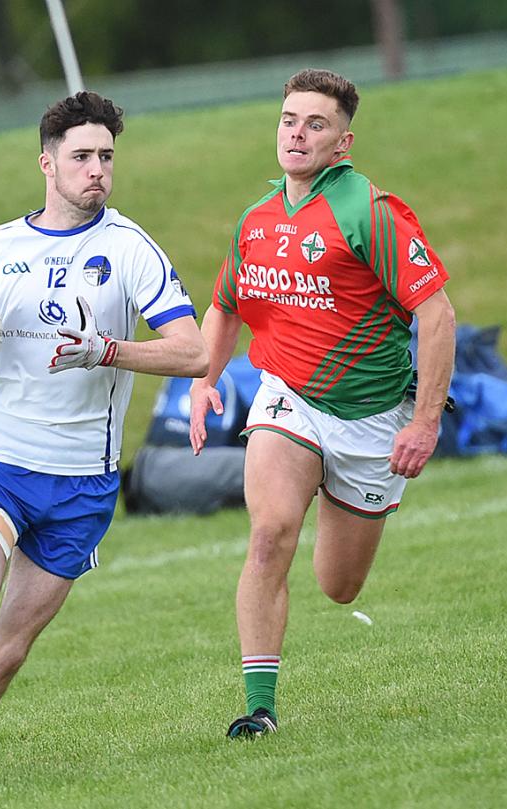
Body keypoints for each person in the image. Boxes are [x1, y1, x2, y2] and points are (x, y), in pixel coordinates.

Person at [0, 90, 208, 794]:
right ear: (46, 163)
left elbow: (194, 352)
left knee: (6, 650)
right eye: (81, 156)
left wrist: (106, 350)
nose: (97, 171)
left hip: (84, 484)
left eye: (106, 157)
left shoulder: (128, 247)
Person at [189, 69, 456, 738]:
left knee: (339, 584)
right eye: (288, 120)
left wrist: (425, 421)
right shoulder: (256, 219)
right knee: (270, 530)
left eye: (315, 124)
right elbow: (225, 307)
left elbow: (437, 311)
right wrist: (203, 377)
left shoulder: (371, 212)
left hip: (372, 418)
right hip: (288, 397)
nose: (297, 133)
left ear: (343, 141)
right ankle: (259, 708)